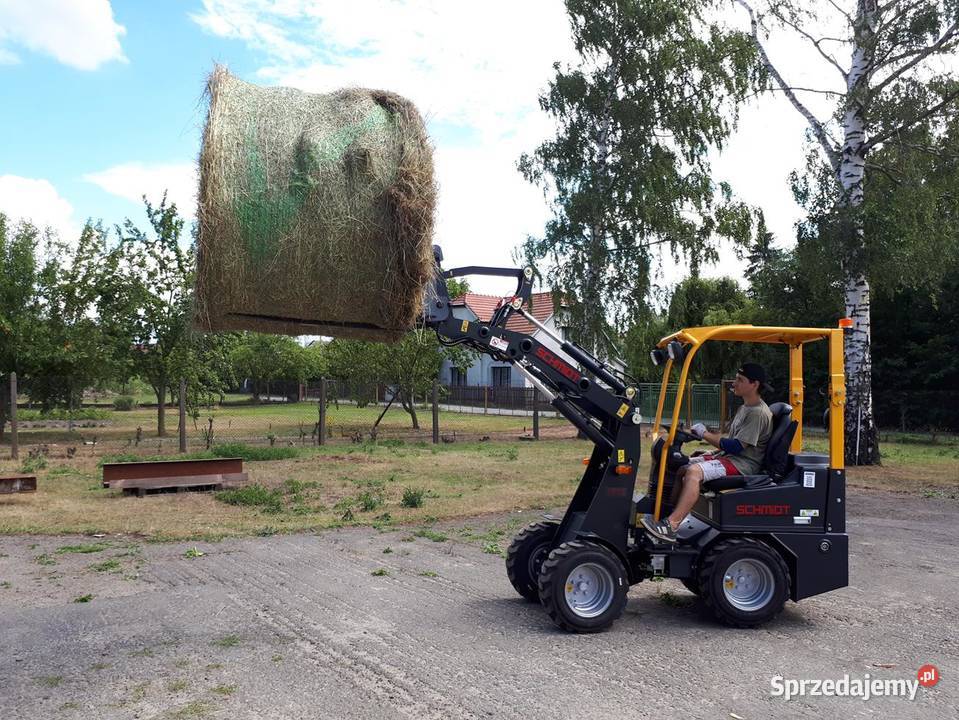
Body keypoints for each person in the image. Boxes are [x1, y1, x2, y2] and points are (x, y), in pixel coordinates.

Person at [642, 363, 774, 543]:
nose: (734, 383)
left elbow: (736, 447)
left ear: (754, 384)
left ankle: (671, 525)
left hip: (742, 465)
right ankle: (667, 515)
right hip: (730, 458)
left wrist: (704, 433)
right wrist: (711, 451)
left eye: (739, 380)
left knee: (693, 472)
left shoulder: (758, 413)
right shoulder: (746, 408)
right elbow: (729, 442)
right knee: (682, 467)